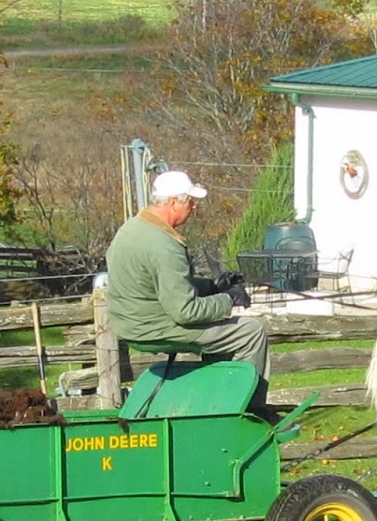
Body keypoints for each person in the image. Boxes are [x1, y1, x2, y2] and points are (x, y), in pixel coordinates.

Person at [105, 168, 272, 411]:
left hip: (131, 323)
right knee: (250, 331)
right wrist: (227, 299)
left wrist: (213, 286)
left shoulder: (132, 229)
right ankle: (249, 413)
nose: (194, 208)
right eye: (191, 202)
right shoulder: (165, 246)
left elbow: (163, 286)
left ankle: (218, 404)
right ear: (174, 202)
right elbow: (185, 312)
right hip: (154, 327)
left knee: (224, 334)